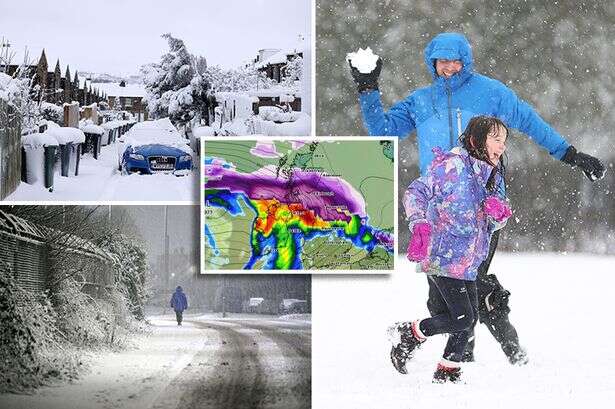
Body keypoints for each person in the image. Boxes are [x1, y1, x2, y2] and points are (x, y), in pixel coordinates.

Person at [349, 32, 606, 364]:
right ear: (432, 63)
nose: (449, 68)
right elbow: (382, 131)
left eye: (455, 61)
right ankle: (459, 350)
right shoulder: (421, 101)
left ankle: (476, 354)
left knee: (470, 279)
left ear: (466, 61)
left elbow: (530, 122)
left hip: (486, 207)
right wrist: (368, 89)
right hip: (439, 210)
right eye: (442, 62)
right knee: (443, 292)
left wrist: (570, 154)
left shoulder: (491, 93)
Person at [389, 115, 512, 383]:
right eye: (496, 139)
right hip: (443, 255)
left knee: (468, 318)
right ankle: (409, 333)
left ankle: (448, 372)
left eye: (504, 140)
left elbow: (493, 222)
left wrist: (499, 214)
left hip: (468, 261)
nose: (502, 146)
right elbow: (415, 192)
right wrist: (418, 221)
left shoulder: (490, 175)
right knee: (462, 317)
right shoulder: (452, 166)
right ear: (475, 140)